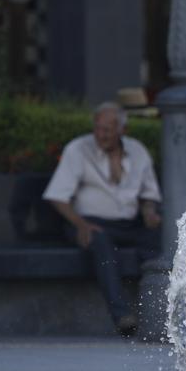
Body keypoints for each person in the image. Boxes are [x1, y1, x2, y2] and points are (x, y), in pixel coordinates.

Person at [43, 102, 162, 338]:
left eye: (107, 130)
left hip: (129, 223)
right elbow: (57, 196)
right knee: (101, 243)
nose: (101, 134)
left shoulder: (137, 151)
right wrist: (80, 224)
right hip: (87, 222)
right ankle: (122, 317)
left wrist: (149, 211)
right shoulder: (78, 149)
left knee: (157, 241)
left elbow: (149, 195)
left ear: (122, 130)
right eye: (97, 128)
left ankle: (160, 312)